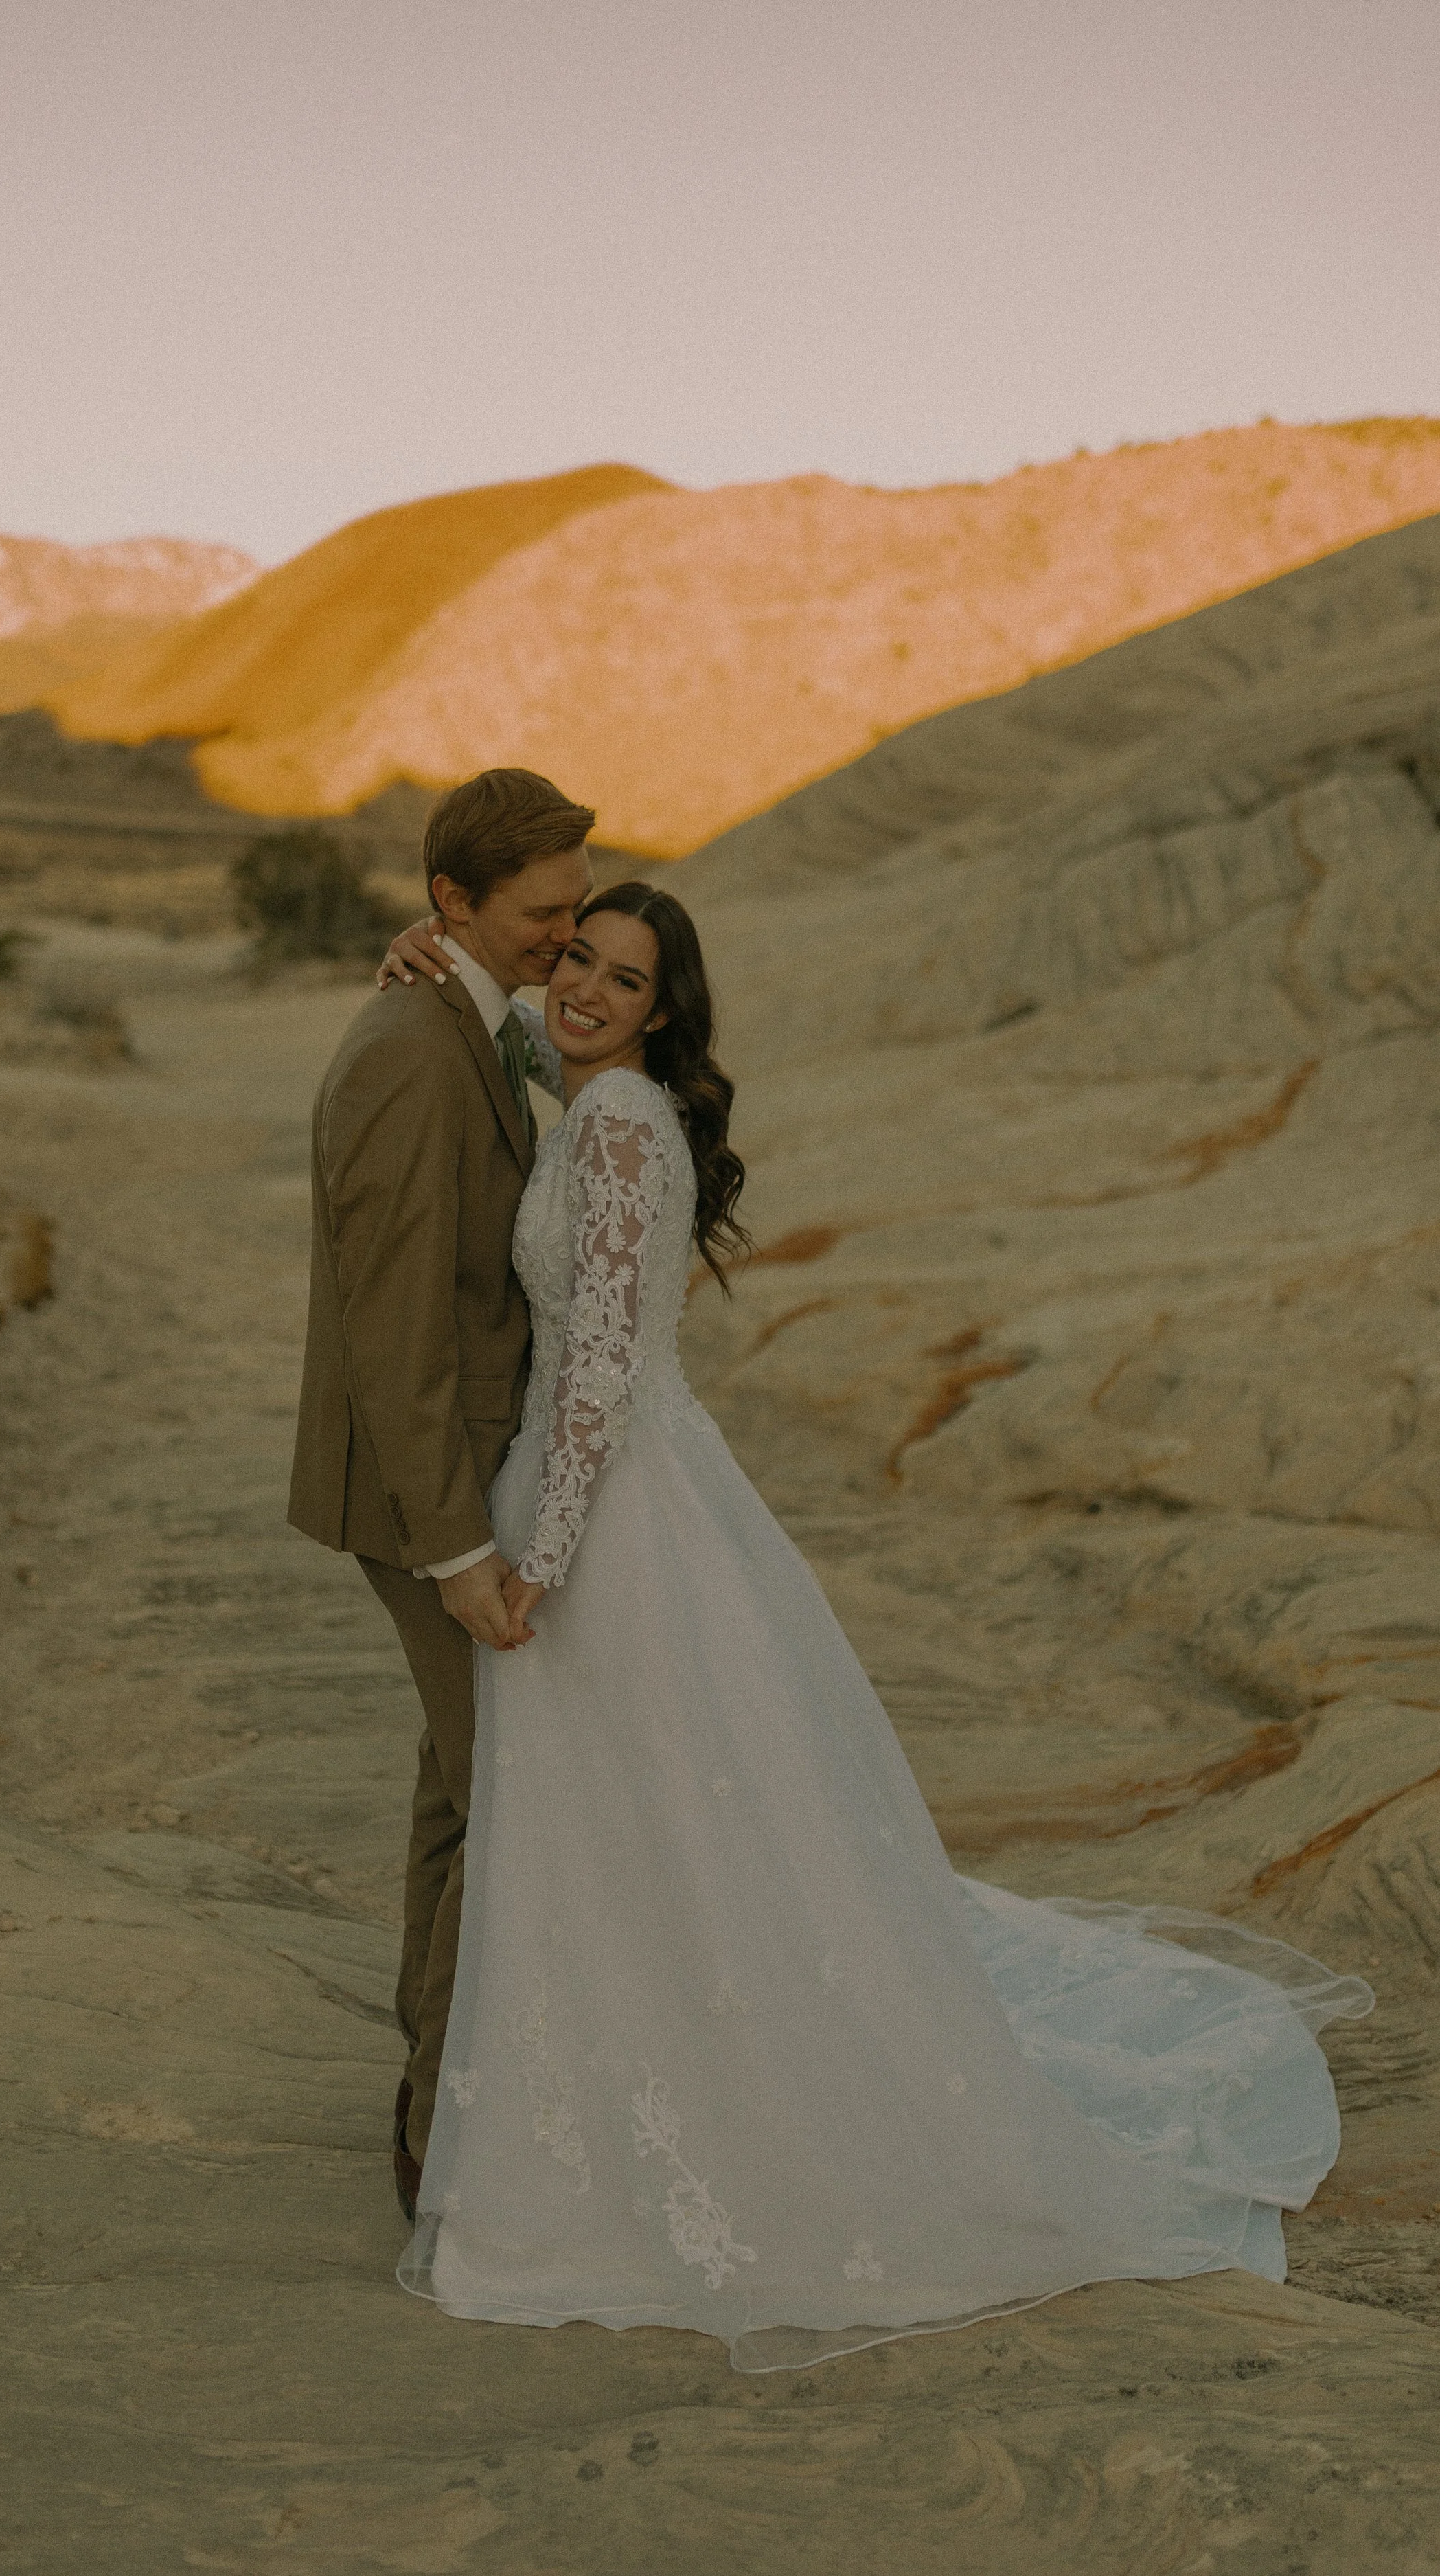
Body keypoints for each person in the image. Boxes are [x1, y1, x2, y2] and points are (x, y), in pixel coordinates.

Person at [376, 879, 1373, 2374]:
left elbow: (592, 1365)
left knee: (644, 1821)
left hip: (607, 1517)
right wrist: (439, 959)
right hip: (587, 1494)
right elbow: (517, 1026)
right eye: (573, 955)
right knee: (619, 1829)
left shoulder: (629, 1129)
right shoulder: (573, 1082)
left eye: (619, 978)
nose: (579, 987)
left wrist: (546, 1563)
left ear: (663, 1014)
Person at [289, 767, 591, 2220]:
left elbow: (565, 1037)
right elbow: (395, 1317)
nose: (566, 932)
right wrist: (457, 1545)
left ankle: (433, 2098)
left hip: (471, 1468)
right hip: (431, 1492)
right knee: (516, 1802)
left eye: (579, 903)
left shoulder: (475, 1020)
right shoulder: (411, 1054)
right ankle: (448, 2141)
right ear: (450, 903)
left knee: (460, 1794)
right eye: (542, 912)